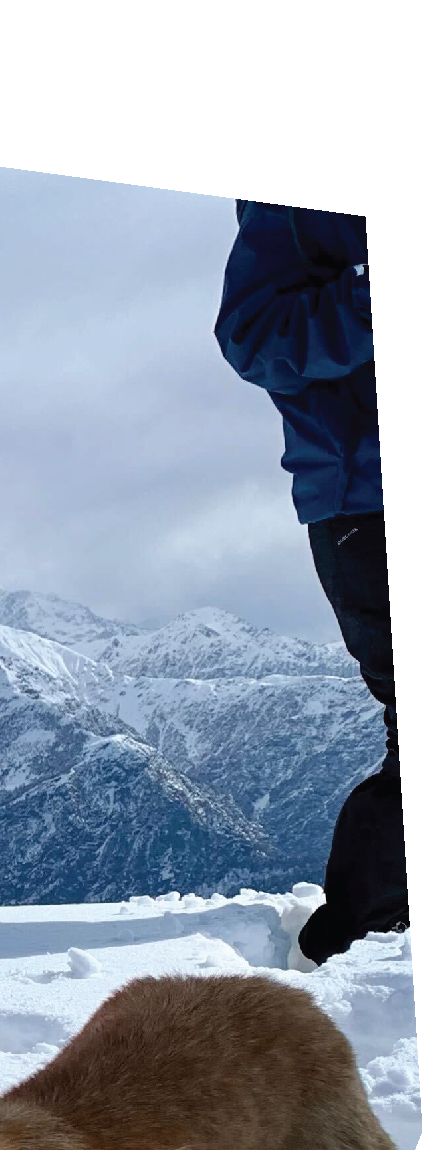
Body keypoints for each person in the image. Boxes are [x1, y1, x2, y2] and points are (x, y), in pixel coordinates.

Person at [215, 202, 405, 963]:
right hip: (369, 500)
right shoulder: (297, 198)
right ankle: (355, 943)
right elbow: (254, 336)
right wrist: (380, 294)